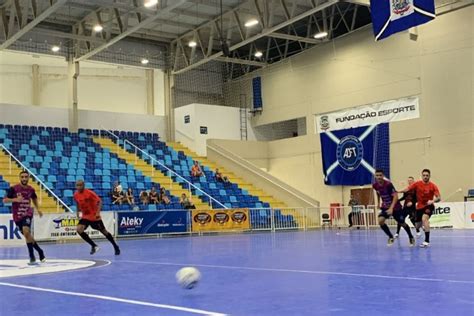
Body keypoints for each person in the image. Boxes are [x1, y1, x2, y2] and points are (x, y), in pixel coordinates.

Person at [3, 171, 45, 265]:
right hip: (17, 216)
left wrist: (38, 209)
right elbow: (5, 200)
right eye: (22, 177)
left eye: (26, 177)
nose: (24, 179)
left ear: (29, 178)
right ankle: (40, 251)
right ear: (20, 178)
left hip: (27, 213)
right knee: (27, 236)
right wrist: (15, 199)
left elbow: (34, 198)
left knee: (26, 231)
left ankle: (31, 256)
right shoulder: (13, 189)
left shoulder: (31, 189)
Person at [74, 180, 120, 255]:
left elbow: (100, 201)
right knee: (79, 229)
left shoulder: (89, 193)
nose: (78, 187)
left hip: (94, 216)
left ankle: (115, 246)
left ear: (83, 185)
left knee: (104, 232)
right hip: (85, 216)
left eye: (80, 185)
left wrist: (98, 213)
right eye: (77, 185)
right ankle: (94, 245)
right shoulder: (76, 195)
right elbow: (77, 203)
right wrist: (77, 212)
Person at [373, 169, 415, 246]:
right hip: (385, 206)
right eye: (377, 175)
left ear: (383, 176)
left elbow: (395, 196)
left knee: (402, 223)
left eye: (380, 175)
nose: (379, 177)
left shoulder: (388, 184)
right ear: (375, 176)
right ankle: (390, 236)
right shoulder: (375, 185)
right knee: (380, 221)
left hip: (396, 207)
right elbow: (378, 192)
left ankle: (411, 237)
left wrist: (391, 208)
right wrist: (378, 203)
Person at [401, 169, 441, 248]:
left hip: (429, 206)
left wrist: (432, 201)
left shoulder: (433, 186)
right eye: (424, 175)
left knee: (424, 218)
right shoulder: (417, 184)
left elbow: (439, 197)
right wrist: (398, 191)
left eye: (427, 175)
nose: (425, 177)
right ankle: (424, 226)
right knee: (417, 226)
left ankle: (426, 241)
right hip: (419, 207)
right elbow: (407, 189)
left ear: (429, 176)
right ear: (421, 176)